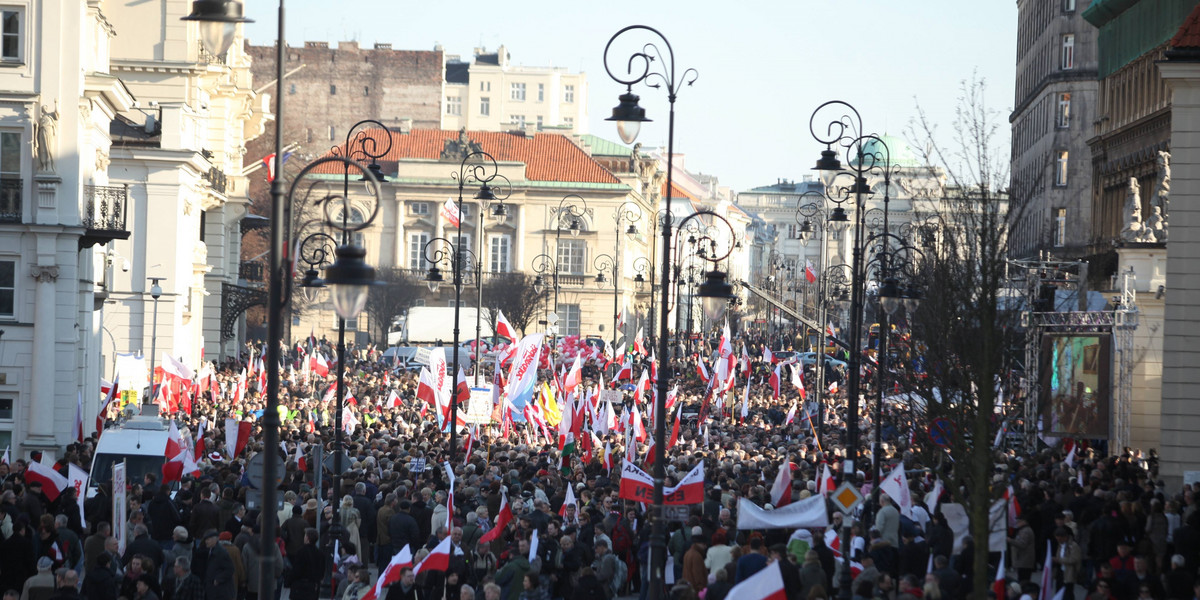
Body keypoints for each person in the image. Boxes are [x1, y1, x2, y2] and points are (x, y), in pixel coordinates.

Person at [200, 529, 235, 600]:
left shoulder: (221, 553)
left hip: (220, 591)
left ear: (215, 540)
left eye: (208, 539)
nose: (206, 541)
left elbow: (230, 569)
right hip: (213, 590)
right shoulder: (210, 550)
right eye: (206, 539)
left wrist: (218, 579)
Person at [289, 528, 324, 600]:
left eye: (305, 536)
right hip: (312, 587)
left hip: (300, 587)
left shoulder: (301, 552)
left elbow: (296, 570)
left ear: (307, 538)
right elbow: (321, 572)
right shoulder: (320, 553)